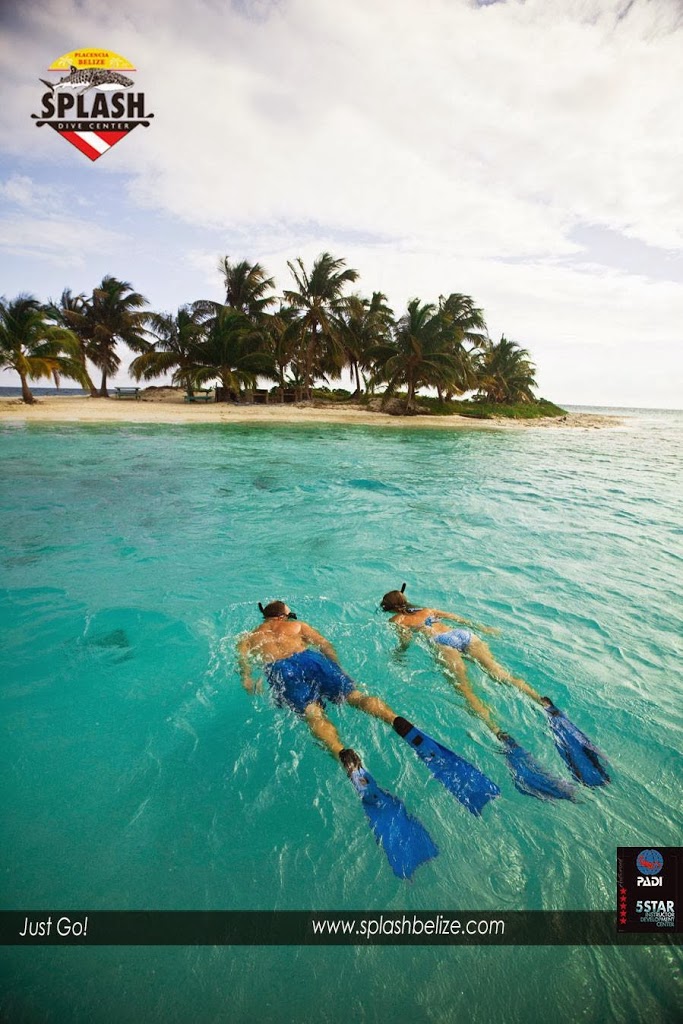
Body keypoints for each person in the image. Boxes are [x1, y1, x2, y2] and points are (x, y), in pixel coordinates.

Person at [237, 599, 501, 815]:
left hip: (280, 669)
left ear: (266, 618)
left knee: (313, 714)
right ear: (285, 616)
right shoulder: (298, 626)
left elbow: (244, 668)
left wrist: (249, 680)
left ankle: (342, 753)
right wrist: (336, 668)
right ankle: (394, 720)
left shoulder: (249, 637)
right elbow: (325, 646)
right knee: (356, 696)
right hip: (310, 659)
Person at [380, 584, 609, 793]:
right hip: (464, 636)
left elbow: (406, 642)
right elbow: (460, 619)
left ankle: (499, 733)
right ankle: (544, 703)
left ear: (390, 609)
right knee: (501, 675)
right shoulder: (428, 610)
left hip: (443, 644)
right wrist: (485, 629)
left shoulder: (396, 621)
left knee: (467, 693)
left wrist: (398, 654)